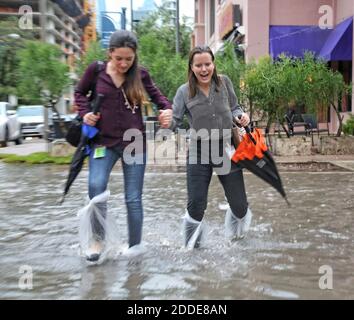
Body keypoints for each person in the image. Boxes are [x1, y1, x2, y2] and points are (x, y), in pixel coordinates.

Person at [75, 30, 172, 261]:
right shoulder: (96, 71)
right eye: (119, 58)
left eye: (129, 59)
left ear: (134, 56)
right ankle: (98, 242)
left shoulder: (140, 75)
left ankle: (135, 247)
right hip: (103, 143)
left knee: (133, 197)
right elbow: (79, 92)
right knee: (96, 188)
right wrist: (85, 112)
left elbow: (161, 99)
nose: (124, 63)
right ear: (110, 53)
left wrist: (166, 111)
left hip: (134, 143)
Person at [168, 46, 253, 248]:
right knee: (196, 204)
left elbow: (234, 107)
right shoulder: (183, 92)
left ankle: (236, 241)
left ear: (213, 64)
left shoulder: (224, 83)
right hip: (199, 151)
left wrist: (241, 116)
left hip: (226, 149)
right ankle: (190, 248)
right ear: (191, 67)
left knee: (240, 207)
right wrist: (166, 122)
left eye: (208, 64)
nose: (204, 69)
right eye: (199, 65)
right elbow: (175, 120)